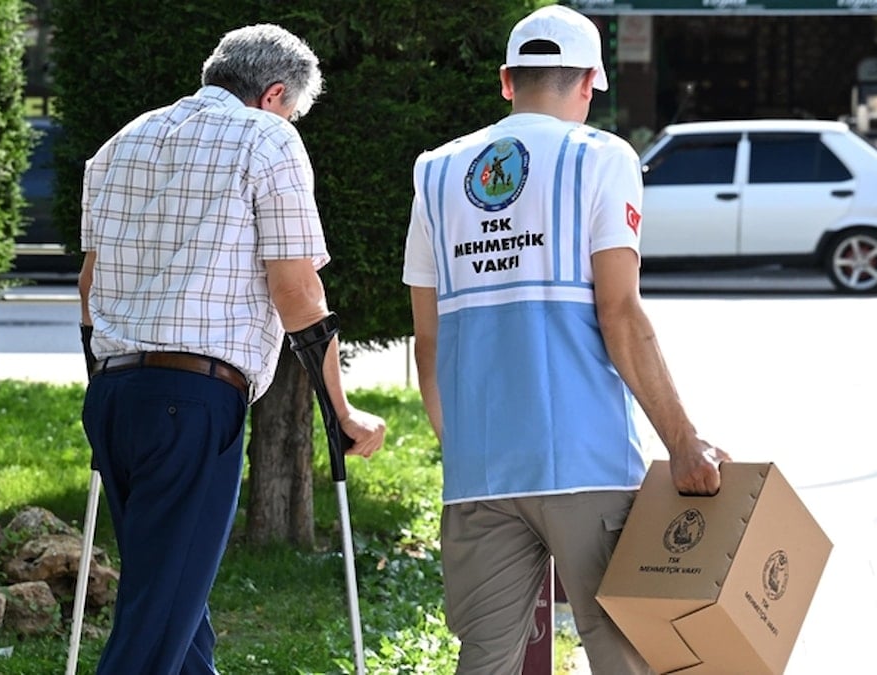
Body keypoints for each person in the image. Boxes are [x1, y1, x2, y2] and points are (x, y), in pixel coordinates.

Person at [401, 6, 730, 674]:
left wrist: (461, 450)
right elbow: (620, 313)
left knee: (486, 659)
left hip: (479, 472)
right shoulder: (601, 157)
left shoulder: (435, 172)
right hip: (586, 462)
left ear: (506, 81)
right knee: (623, 653)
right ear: (587, 83)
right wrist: (683, 441)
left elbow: (427, 343)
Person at [78, 24, 386, 675]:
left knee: (173, 606)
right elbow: (297, 291)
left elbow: (89, 283)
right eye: (292, 109)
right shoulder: (268, 137)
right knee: (155, 626)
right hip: (192, 400)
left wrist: (101, 384)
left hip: (112, 394)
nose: (291, 120)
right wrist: (341, 411)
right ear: (274, 94)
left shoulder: (121, 141)